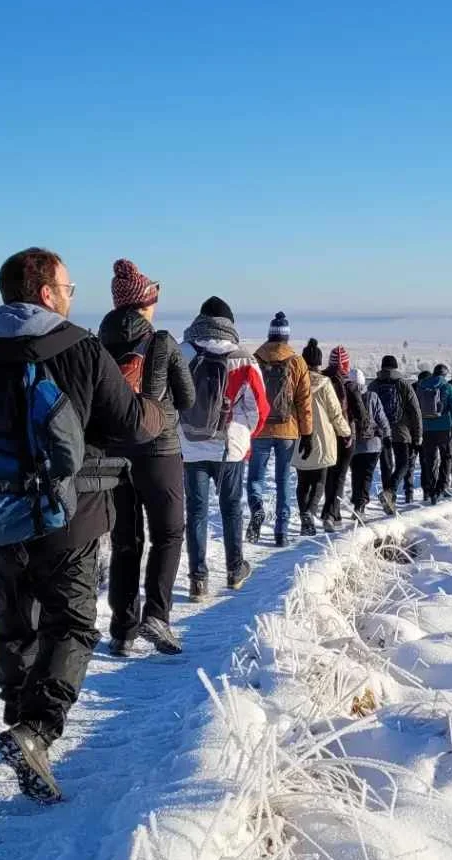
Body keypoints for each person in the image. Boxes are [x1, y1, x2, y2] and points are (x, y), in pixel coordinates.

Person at [0, 247, 162, 803]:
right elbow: (132, 425)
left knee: (14, 617)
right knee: (72, 625)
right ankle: (37, 728)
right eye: (69, 289)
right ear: (47, 294)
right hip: (71, 518)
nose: (71, 297)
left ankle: (16, 712)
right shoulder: (80, 348)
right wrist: (160, 410)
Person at [98, 260, 194, 656]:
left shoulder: (97, 344)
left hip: (112, 453)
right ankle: (157, 615)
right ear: (145, 304)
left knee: (125, 539)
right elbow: (186, 399)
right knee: (168, 533)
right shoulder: (163, 343)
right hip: (159, 449)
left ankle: (121, 629)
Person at [178, 297, 269, 598]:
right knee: (231, 508)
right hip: (229, 448)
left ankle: (198, 580)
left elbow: (169, 399)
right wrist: (243, 435)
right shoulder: (243, 358)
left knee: (196, 511)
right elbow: (259, 408)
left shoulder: (183, 353)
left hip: (190, 445)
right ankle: (234, 570)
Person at [248, 312, 313, 548]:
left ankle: (257, 508)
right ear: (286, 337)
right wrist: (307, 434)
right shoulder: (297, 362)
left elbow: (248, 395)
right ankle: (281, 532)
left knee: (256, 476)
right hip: (288, 430)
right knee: (284, 480)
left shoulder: (255, 359)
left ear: (269, 334)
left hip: (260, 429)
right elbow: (304, 401)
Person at [293, 343, 350, 534]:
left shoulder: (295, 383)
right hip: (323, 440)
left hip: (300, 438)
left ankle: (304, 519)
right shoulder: (325, 384)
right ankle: (310, 511)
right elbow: (335, 414)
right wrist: (345, 432)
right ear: (319, 363)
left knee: (302, 482)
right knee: (319, 481)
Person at [370, 355, 422, 507]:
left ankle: (389, 500)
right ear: (396, 367)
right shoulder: (403, 385)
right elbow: (416, 412)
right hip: (402, 432)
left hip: (381, 433)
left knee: (386, 467)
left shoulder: (373, 385)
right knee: (404, 464)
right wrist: (418, 436)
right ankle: (390, 492)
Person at [321, 346, 359, 531]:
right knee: (340, 477)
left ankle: (334, 514)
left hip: (325, 435)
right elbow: (360, 412)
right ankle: (330, 514)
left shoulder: (322, 381)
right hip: (345, 436)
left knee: (329, 476)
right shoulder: (349, 385)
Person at [347, 369, 392, 517]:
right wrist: (386, 434)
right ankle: (361, 506)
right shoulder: (372, 396)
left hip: (353, 444)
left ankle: (357, 505)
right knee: (367, 475)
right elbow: (381, 418)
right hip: (373, 444)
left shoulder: (346, 396)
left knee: (356, 474)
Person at [415, 363, 452, 503]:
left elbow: (417, 407)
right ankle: (441, 487)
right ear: (445, 374)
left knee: (430, 460)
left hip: (427, 428)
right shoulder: (448, 387)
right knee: (446, 457)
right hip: (444, 429)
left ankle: (430, 489)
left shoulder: (421, 386)